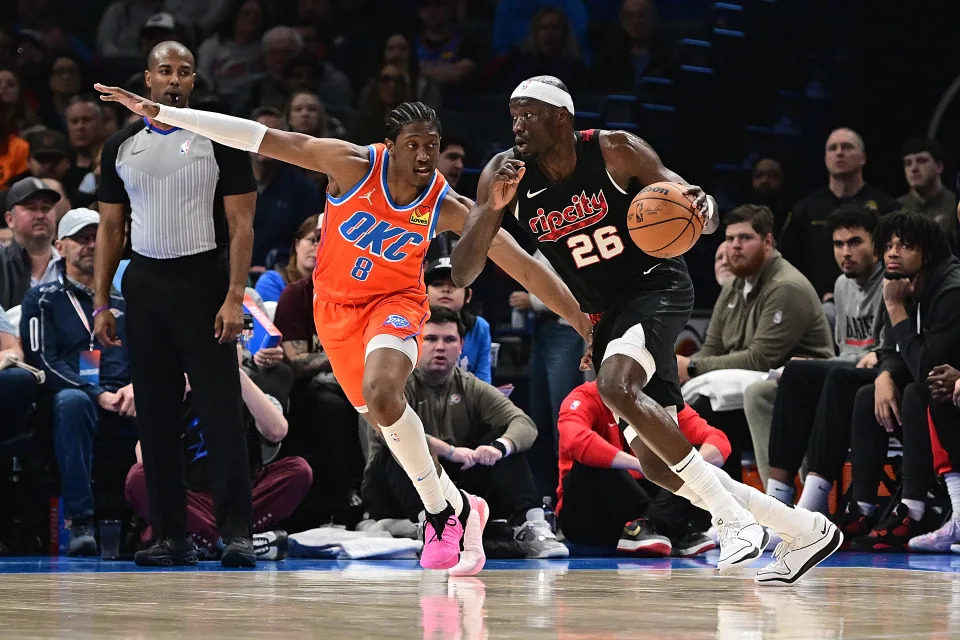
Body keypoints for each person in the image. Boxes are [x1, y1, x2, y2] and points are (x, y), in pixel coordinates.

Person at [95, 77, 592, 576]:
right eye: (414, 145)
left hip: (395, 303)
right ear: (390, 146)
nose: (425, 156)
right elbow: (256, 136)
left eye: (433, 147)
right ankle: (460, 506)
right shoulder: (350, 164)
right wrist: (166, 113)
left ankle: (441, 515)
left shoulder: (444, 205)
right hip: (334, 311)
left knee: (383, 393)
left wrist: (585, 324)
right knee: (387, 422)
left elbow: (526, 266)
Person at [451, 75, 842, 584]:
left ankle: (731, 519)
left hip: (658, 286)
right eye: (513, 115)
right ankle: (804, 528)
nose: (517, 125)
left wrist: (700, 209)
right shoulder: (505, 176)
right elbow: (462, 271)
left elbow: (694, 209)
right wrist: (494, 208)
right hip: (606, 312)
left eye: (528, 114)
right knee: (658, 466)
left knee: (615, 386)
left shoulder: (614, 150)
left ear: (561, 119)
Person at [93, 42, 258, 568]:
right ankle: (170, 536)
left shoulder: (221, 139)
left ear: (194, 81)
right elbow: (111, 229)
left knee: (220, 412)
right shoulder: (120, 145)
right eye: (165, 70)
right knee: (157, 416)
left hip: (205, 281)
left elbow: (241, 225)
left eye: (184, 72)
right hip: (144, 285)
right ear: (147, 78)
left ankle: (237, 532)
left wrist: (235, 295)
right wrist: (101, 302)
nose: (174, 79)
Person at [362, 306, 569, 560]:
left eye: (449, 340)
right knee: (395, 446)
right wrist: (449, 450)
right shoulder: (397, 383)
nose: (440, 347)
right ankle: (428, 525)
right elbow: (384, 432)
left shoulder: (468, 384)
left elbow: (523, 422)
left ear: (461, 346)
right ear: (416, 342)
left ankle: (531, 524)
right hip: (393, 487)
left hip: (452, 482)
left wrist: (499, 447)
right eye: (431, 339)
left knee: (506, 442)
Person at [19, 208, 137, 556]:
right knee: (73, 402)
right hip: (72, 396)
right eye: (80, 239)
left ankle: (165, 523)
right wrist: (96, 392)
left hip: (124, 396)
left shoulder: (125, 303)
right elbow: (43, 363)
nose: (90, 246)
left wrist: (136, 389)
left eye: (96, 238)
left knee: (163, 398)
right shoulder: (43, 299)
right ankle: (80, 520)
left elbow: (148, 359)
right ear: (60, 246)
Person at [125, 344, 311, 561]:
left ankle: (207, 539)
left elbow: (277, 431)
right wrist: (171, 397)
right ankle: (230, 542)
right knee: (138, 478)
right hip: (191, 499)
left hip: (241, 498)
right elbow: (145, 458)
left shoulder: (249, 388)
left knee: (299, 470)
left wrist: (235, 374)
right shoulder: (178, 391)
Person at [846, 212, 960, 551]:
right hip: (941, 394)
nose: (893, 253)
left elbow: (928, 367)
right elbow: (891, 348)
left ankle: (915, 508)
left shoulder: (949, 290)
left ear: (926, 254)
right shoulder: (902, 283)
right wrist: (884, 373)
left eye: (905, 246)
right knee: (866, 393)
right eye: (888, 246)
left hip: (942, 396)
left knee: (920, 391)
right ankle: (861, 508)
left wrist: (895, 308)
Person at [756, 203, 884, 498]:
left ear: (876, 245)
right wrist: (816, 363)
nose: (845, 252)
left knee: (801, 373)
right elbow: (845, 349)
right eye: (838, 244)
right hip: (847, 369)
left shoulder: (890, 282)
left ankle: (808, 501)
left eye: (855, 242)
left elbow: (882, 351)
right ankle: (776, 497)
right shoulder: (841, 285)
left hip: (877, 373)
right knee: (782, 380)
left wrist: (815, 366)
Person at [557, 380, 728, 557]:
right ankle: (668, 525)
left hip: (641, 502)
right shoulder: (585, 396)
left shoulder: (661, 399)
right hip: (589, 516)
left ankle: (651, 524)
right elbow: (575, 440)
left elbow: (718, 440)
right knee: (592, 463)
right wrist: (641, 465)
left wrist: (687, 465)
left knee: (696, 457)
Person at [425, 256, 491, 383]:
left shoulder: (480, 328)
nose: (445, 289)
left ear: (468, 295)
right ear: (424, 292)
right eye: (437, 284)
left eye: (455, 284)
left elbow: (484, 381)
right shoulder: (409, 325)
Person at [0, 176, 61, 309]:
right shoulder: (2, 264)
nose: (40, 215)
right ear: (10, 219)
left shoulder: (71, 263)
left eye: (46, 208)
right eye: (31, 208)